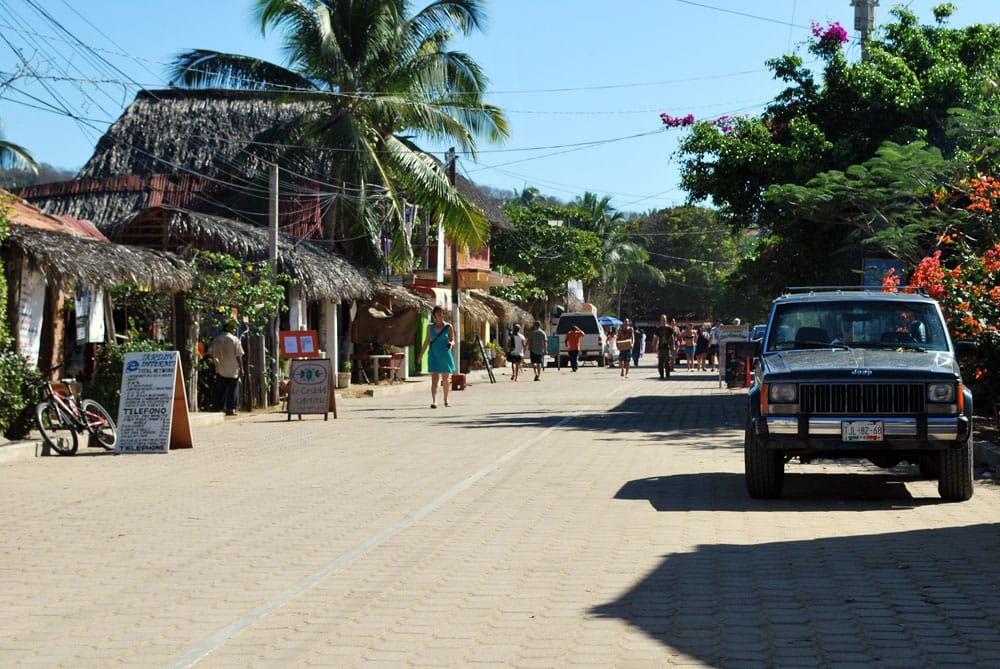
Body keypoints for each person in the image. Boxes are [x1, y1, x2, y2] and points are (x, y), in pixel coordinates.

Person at [417, 305, 455, 408]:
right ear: (434, 315)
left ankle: (446, 399)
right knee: (434, 378)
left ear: (443, 314)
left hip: (445, 355)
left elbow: (452, 340)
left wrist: (450, 344)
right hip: (433, 354)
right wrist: (421, 355)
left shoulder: (448, 327)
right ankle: (434, 401)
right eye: (437, 313)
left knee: (445, 378)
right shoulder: (430, 327)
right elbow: (426, 342)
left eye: (441, 312)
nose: (439, 314)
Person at [210, 318, 244, 416]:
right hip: (233, 369)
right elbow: (238, 356)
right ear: (230, 329)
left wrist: (214, 366)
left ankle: (219, 408)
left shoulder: (216, 339)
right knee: (233, 390)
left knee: (221, 390)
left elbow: (210, 353)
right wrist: (241, 368)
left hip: (220, 368)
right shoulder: (234, 339)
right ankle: (231, 408)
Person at [652, 314, 675, 379]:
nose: (663, 321)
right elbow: (655, 338)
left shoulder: (669, 328)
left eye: (664, 319)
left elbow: (672, 338)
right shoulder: (658, 329)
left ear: (666, 320)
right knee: (660, 362)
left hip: (667, 347)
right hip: (660, 347)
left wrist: (673, 346)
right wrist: (654, 346)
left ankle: (667, 374)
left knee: (667, 362)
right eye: (662, 319)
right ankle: (661, 375)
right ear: (660, 320)